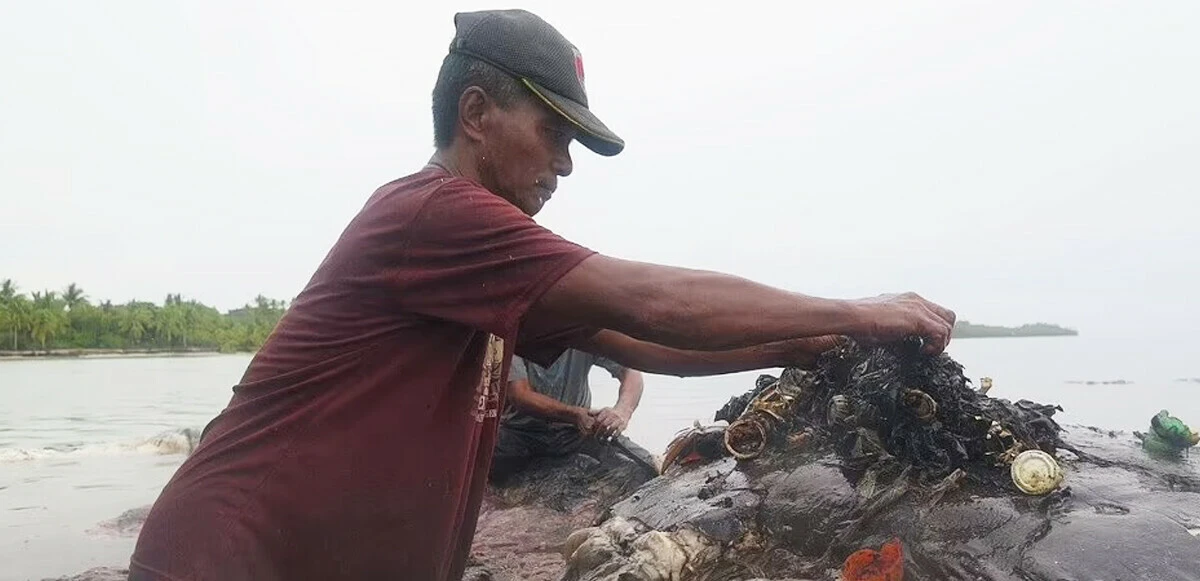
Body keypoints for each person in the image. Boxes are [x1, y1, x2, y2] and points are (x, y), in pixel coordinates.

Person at [128, 9, 956, 581]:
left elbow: (641, 344)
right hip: (229, 556)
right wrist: (857, 311)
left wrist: (799, 345)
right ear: (477, 112)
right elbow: (651, 301)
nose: (563, 164)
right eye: (555, 134)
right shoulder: (437, 213)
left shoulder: (479, 264)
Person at [490, 349, 656, 484]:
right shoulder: (518, 333)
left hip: (576, 432)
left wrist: (622, 411)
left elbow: (631, 371)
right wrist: (574, 414)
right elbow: (519, 395)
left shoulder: (585, 330)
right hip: (519, 433)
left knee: (647, 465)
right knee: (484, 469)